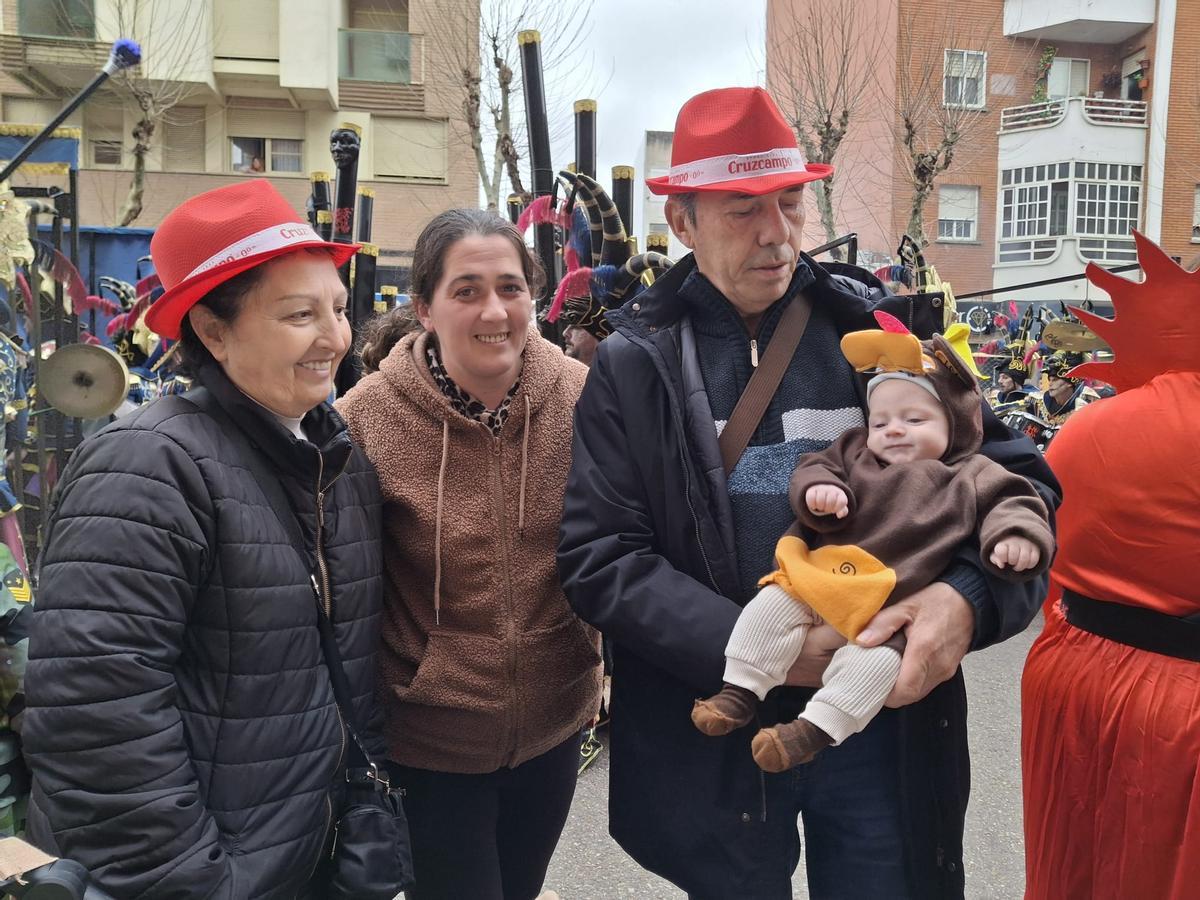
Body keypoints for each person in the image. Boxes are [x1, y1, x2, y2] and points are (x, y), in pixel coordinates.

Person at [557, 86, 1059, 899]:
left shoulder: (883, 334)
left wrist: (966, 600)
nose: (776, 233)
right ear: (681, 222)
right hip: (719, 721)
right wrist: (757, 649)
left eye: (789, 202)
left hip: (879, 729)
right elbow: (600, 557)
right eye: (742, 209)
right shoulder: (633, 364)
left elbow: (1021, 481)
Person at [21, 180, 389, 898]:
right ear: (214, 333)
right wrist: (193, 883)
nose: (334, 338)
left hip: (302, 857)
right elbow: (97, 718)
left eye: (339, 310)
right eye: (298, 315)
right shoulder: (147, 465)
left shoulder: (334, 456)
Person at [337, 208, 602, 900]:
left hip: (552, 719)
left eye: (511, 288)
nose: (494, 311)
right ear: (424, 306)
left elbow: (618, 541)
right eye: (467, 290)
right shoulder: (366, 419)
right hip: (431, 738)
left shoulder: (583, 397)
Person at [693, 323, 1053, 771]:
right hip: (822, 577)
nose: (894, 430)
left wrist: (1015, 537)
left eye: (915, 420)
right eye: (881, 421)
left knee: (878, 663)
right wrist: (820, 492)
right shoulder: (855, 451)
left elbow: (1016, 502)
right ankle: (738, 691)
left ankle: (814, 730)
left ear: (956, 422)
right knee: (770, 605)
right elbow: (813, 467)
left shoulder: (973, 473)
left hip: (893, 598)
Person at [1021, 235, 1200, 900]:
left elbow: (1052, 565)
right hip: (1183, 713)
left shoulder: (1093, 429)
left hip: (1076, 682)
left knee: (1078, 861)